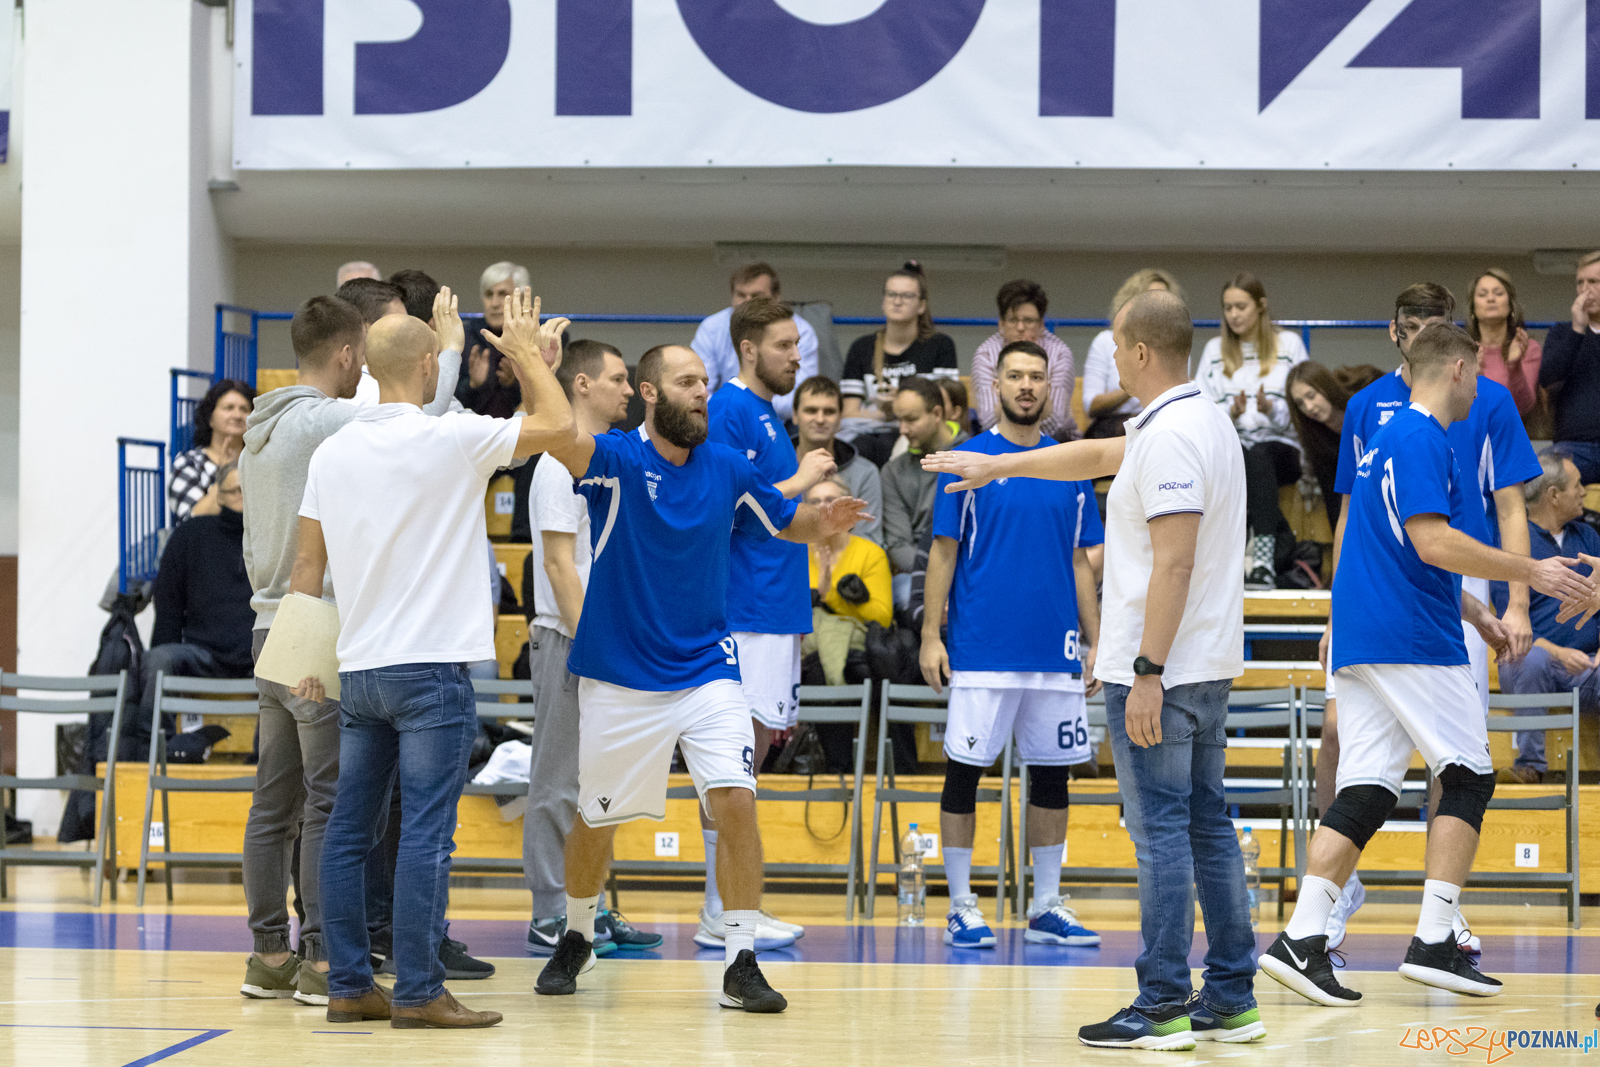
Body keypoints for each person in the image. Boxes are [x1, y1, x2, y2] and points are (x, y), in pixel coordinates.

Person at [926, 289, 1259, 1050]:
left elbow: (1173, 562)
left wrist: (1145, 669)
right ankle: (1232, 993)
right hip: (1204, 665)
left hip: (1165, 672)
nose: (1107, 360)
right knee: (1208, 823)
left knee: (1164, 833)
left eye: (1113, 347)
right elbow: (1095, 455)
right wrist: (996, 464)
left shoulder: (1172, 435)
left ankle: (1165, 1000)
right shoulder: (1194, 418)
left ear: (1140, 353)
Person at [529, 342, 867, 1012]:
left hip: (708, 668)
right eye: (686, 382)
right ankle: (576, 931)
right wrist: (531, 365)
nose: (701, 393)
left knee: (737, 798)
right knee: (597, 818)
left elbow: (785, 520)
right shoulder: (619, 459)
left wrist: (820, 523)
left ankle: (741, 956)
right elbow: (561, 435)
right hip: (622, 674)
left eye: (705, 383)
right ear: (650, 394)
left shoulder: (728, 465)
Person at [1261, 325, 1593, 1008]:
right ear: (1460, 368)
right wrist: (1530, 570)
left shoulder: (1387, 440)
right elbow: (1433, 540)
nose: (1483, 390)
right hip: (1408, 634)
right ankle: (1436, 935)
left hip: (1366, 632)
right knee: (1469, 773)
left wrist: (1479, 613)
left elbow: (1398, 548)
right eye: (1478, 376)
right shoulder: (1422, 438)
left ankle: (1299, 938)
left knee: (1367, 790)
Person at [296, 292, 572, 1030]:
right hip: (431, 672)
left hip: (358, 670)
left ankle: (350, 983)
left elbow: (305, 569)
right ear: (428, 365)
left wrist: (306, 662)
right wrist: (522, 355)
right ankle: (418, 988)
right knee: (424, 832)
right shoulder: (450, 436)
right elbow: (559, 426)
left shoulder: (333, 449)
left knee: (349, 830)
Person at [237, 293, 461, 1009]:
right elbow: (416, 421)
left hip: (263, 628)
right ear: (345, 355)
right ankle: (320, 960)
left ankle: (266, 952)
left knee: (273, 804)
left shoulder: (258, 430)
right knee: (330, 806)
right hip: (313, 626)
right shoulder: (322, 423)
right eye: (359, 353)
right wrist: (447, 350)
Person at [1319, 282, 1540, 951]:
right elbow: (1359, 518)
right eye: (1411, 323)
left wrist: (1513, 600)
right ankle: (1351, 912)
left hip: (1449, 580)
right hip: (1394, 589)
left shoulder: (1488, 402)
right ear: (1396, 332)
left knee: (1443, 762)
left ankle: (1428, 911)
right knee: (1389, 751)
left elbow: (1508, 506)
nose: (1420, 333)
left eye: (1433, 323)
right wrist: (1336, 604)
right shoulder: (1374, 411)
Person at [919, 340, 1104, 952]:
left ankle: (1046, 905)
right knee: (963, 775)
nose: (1026, 385)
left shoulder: (1070, 464)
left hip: (1056, 651)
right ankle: (962, 906)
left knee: (1053, 779)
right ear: (994, 386)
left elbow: (1081, 561)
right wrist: (930, 634)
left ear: (1051, 386)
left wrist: (1097, 639)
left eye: (1036, 376)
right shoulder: (966, 460)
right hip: (982, 650)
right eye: (1015, 376)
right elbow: (943, 552)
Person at [700, 296, 837, 949]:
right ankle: (722, 912)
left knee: (747, 765)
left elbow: (778, 519)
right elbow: (723, 503)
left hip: (776, 606)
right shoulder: (729, 409)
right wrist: (806, 476)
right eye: (784, 344)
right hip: (746, 606)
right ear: (749, 349)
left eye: (798, 344)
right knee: (734, 764)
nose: (796, 355)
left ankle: (732, 907)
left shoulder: (767, 416)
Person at [522, 340, 661, 956]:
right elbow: (558, 567)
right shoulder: (557, 463)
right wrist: (593, 643)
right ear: (581, 384)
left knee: (602, 785)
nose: (629, 390)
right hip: (568, 639)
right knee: (556, 782)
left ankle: (592, 908)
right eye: (618, 379)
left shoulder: (607, 459)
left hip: (607, 641)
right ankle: (551, 913)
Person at [1195, 273, 1309, 590]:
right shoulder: (1214, 351)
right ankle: (1266, 559)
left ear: (1260, 306)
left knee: (1257, 457)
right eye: (1228, 307)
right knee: (1247, 460)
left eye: (1240, 306)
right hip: (1233, 449)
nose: (1233, 314)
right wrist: (1230, 412)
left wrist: (1272, 410)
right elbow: (1201, 410)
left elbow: (1304, 409)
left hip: (1281, 448)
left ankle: (1257, 560)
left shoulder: (1290, 345)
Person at [134, 463, 255, 760]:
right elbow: (169, 607)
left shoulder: (273, 538)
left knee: (288, 665)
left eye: (248, 488)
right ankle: (153, 751)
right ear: (220, 495)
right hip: (203, 654)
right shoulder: (190, 536)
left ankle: (265, 761)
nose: (242, 496)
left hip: (258, 654)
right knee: (158, 659)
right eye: (235, 490)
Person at [1493, 450, 1600, 784]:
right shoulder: (1511, 542)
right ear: (1554, 495)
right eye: (1577, 485)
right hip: (1535, 662)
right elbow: (1504, 623)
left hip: (1590, 666)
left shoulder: (1589, 537)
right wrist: (1559, 653)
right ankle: (1529, 767)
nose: (1584, 492)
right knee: (1529, 659)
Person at [692, 262, 820, 422]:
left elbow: (802, 401)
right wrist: (736, 409)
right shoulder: (711, 328)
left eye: (756, 296)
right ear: (748, 350)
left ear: (776, 297)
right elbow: (697, 390)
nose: (747, 302)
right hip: (726, 416)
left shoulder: (800, 330)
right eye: (741, 295)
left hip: (783, 420)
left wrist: (747, 407)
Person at [840, 262, 958, 420]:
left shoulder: (940, 345)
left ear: (921, 306)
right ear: (883, 301)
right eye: (891, 294)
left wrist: (902, 402)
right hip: (870, 434)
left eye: (907, 296)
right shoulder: (861, 347)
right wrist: (884, 413)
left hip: (922, 434)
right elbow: (848, 413)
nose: (897, 301)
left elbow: (944, 409)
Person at [969, 279, 1079, 441]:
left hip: (1058, 441)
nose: (1020, 328)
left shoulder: (1060, 353)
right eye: (1013, 320)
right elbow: (988, 421)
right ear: (1001, 323)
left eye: (1028, 320)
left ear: (1041, 324)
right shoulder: (985, 354)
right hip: (1001, 440)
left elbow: (1057, 423)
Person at [882, 377, 969, 578]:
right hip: (920, 570)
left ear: (937, 414)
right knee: (904, 592)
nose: (903, 430)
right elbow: (899, 546)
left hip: (969, 566)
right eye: (899, 420)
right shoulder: (893, 472)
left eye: (911, 420)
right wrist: (938, 575)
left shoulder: (975, 455)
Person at [1082, 269, 1184, 439]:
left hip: (1159, 425)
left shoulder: (1174, 347)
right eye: (1152, 299)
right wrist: (1132, 384)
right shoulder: (1107, 341)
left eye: (1164, 300)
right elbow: (1090, 405)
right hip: (1113, 428)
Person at [792, 375, 883, 544]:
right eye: (811, 410)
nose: (820, 419)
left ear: (841, 418)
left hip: (847, 565)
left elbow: (869, 541)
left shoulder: (865, 473)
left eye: (829, 411)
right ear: (795, 415)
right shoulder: (776, 467)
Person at [1539, 251, 1600, 483]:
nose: (1585, 289)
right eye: (1580, 282)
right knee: (1537, 477)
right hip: (1573, 448)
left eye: (1593, 282)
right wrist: (1578, 330)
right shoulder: (1562, 333)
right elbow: (1548, 379)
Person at [170, 380, 255, 523]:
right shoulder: (189, 463)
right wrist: (224, 474)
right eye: (228, 408)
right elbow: (191, 520)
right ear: (210, 418)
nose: (237, 415)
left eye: (244, 409)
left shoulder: (259, 463)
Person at [458, 261, 532, 419]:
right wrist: (472, 385)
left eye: (503, 294)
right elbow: (442, 401)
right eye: (488, 294)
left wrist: (514, 383)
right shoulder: (464, 336)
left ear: (522, 297)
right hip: (472, 436)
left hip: (527, 436)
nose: (494, 303)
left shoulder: (541, 338)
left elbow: (551, 401)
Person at [1286, 361, 1352, 531]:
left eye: (1311, 395)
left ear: (1326, 387)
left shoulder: (1359, 409)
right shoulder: (1315, 439)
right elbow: (1333, 499)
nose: (1308, 407)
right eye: (1300, 403)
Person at [1468, 269, 1540, 418]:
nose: (1490, 299)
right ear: (1472, 310)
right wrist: (1475, 371)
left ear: (1511, 306)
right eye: (1482, 294)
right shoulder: (1462, 349)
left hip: (1509, 434)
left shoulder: (1527, 348)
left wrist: (1514, 365)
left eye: (1498, 293)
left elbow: (1523, 406)